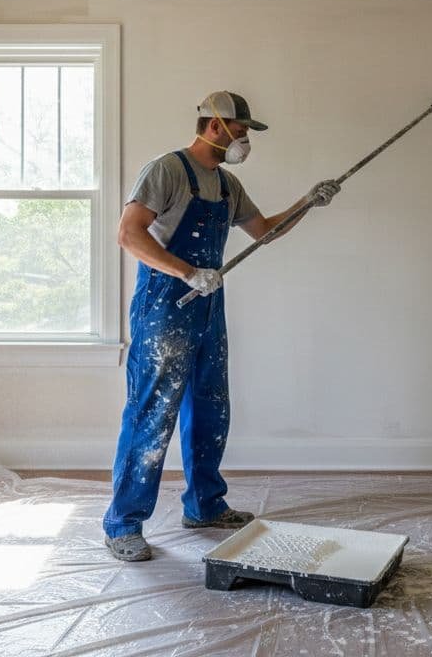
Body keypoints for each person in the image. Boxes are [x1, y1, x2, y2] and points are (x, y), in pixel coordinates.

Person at [103, 91, 340, 562]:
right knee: (152, 412)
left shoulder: (228, 185)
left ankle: (205, 506)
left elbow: (264, 231)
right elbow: (128, 233)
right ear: (214, 125)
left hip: (209, 307)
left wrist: (308, 202)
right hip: (166, 305)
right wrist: (187, 272)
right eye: (242, 129)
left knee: (211, 406)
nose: (245, 138)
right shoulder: (166, 170)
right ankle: (123, 524)